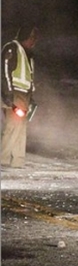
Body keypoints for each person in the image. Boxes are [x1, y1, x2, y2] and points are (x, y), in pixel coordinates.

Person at [1, 26, 39, 168]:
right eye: (32, 38)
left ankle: (18, 161)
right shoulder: (12, 48)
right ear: (25, 37)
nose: (33, 41)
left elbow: (30, 77)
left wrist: (31, 97)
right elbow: (5, 71)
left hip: (24, 95)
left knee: (21, 128)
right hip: (15, 93)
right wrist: (8, 94)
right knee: (12, 126)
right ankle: (3, 160)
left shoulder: (29, 54)